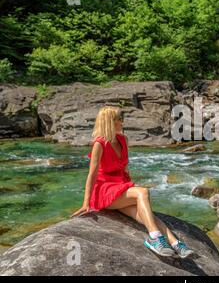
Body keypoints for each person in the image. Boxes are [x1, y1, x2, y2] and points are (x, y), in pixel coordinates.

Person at [71, 106, 194, 258]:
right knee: (143, 192)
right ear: (110, 122)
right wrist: (86, 203)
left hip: (120, 187)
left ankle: (175, 244)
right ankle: (154, 239)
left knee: (147, 216)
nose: (122, 122)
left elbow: (125, 168)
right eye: (119, 119)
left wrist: (129, 185)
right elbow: (92, 174)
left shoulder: (122, 139)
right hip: (104, 191)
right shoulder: (99, 144)